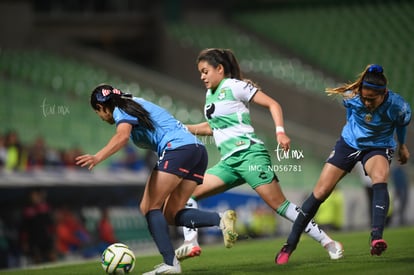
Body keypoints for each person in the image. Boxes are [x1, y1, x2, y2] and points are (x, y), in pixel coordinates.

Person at [174, 48, 343, 262]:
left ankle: (328, 242)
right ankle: (191, 243)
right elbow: (212, 127)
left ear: (219, 68)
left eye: (205, 71)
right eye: (200, 72)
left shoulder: (236, 86)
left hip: (250, 155)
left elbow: (273, 104)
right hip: (229, 162)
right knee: (185, 193)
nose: (202, 76)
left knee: (280, 205)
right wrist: (180, 127)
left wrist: (280, 132)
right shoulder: (210, 94)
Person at [75, 84, 237, 274]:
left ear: (101, 107)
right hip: (197, 151)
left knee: (149, 207)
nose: (102, 118)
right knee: (170, 214)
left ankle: (171, 264)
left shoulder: (120, 109)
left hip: (178, 150)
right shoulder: (135, 103)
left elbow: (122, 137)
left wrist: (97, 157)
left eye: (98, 113)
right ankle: (220, 219)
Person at [276, 64, 411, 264]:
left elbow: (400, 126)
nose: (366, 102)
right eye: (364, 97)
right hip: (348, 144)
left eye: (371, 99)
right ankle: (289, 246)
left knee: (380, 178)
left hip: (378, 146)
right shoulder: (351, 97)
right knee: (320, 192)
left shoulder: (399, 106)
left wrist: (402, 146)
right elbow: (350, 117)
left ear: (384, 94)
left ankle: (376, 238)